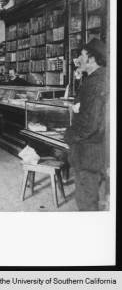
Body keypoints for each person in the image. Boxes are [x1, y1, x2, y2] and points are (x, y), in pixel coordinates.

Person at [64, 38, 108, 211]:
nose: (77, 60)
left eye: (81, 56)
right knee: (90, 195)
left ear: (91, 58)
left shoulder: (94, 83)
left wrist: (69, 135)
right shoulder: (100, 77)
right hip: (96, 150)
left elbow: (90, 124)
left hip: (88, 152)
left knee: (86, 201)